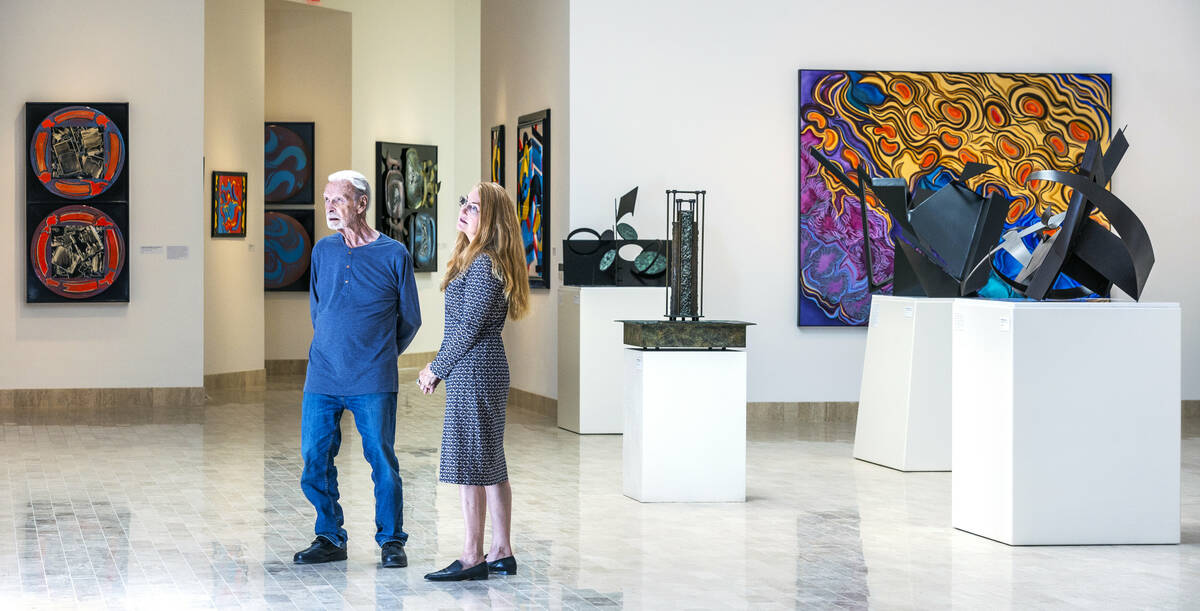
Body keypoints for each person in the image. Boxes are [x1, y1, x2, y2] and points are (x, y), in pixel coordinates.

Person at [293, 170, 421, 569]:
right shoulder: (323, 251)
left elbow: (411, 319)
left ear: (361, 203)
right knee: (314, 458)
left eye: (339, 200)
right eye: (326, 199)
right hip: (323, 376)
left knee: (381, 460)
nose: (330, 207)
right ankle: (329, 536)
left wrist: (380, 354)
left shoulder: (394, 254)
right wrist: (333, 348)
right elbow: (319, 309)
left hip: (373, 378)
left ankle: (391, 541)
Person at [418, 182, 529, 581]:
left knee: (470, 465)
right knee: (489, 464)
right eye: (465, 202)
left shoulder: (483, 263)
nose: (465, 209)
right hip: (479, 369)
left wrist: (435, 368)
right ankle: (501, 552)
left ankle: (472, 556)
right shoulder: (477, 258)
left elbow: (468, 327)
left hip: (476, 370)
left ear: (493, 219)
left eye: (475, 206)